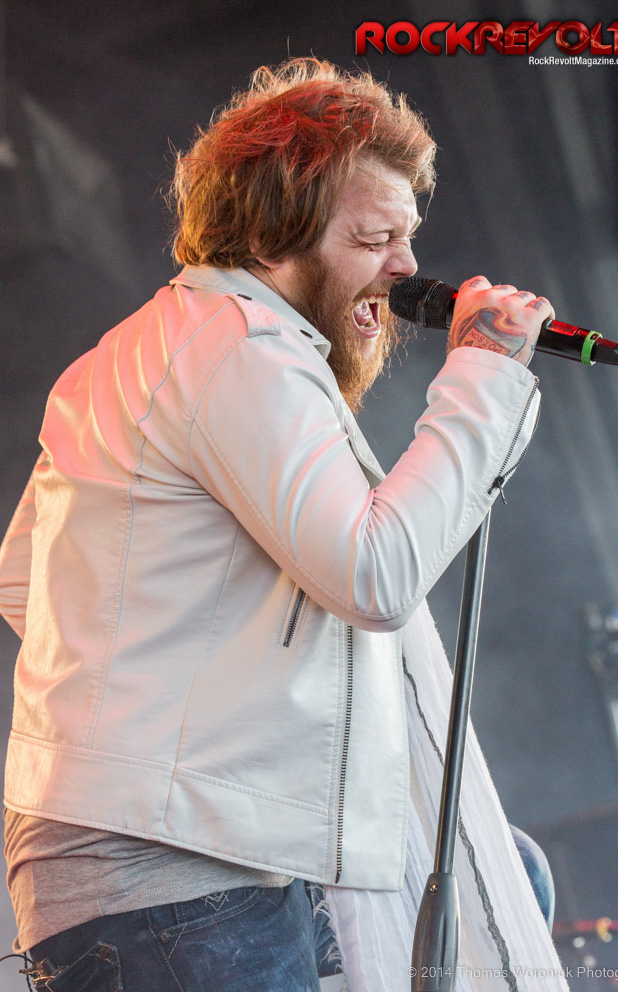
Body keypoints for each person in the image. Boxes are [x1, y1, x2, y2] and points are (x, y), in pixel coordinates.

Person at [0, 59, 561, 992]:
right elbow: (376, 576)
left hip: (130, 879)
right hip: (177, 888)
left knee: (509, 873)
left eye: (407, 237)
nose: (406, 267)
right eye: (373, 238)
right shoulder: (244, 349)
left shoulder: (127, 354)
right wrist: (485, 378)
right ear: (268, 237)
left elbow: (28, 582)